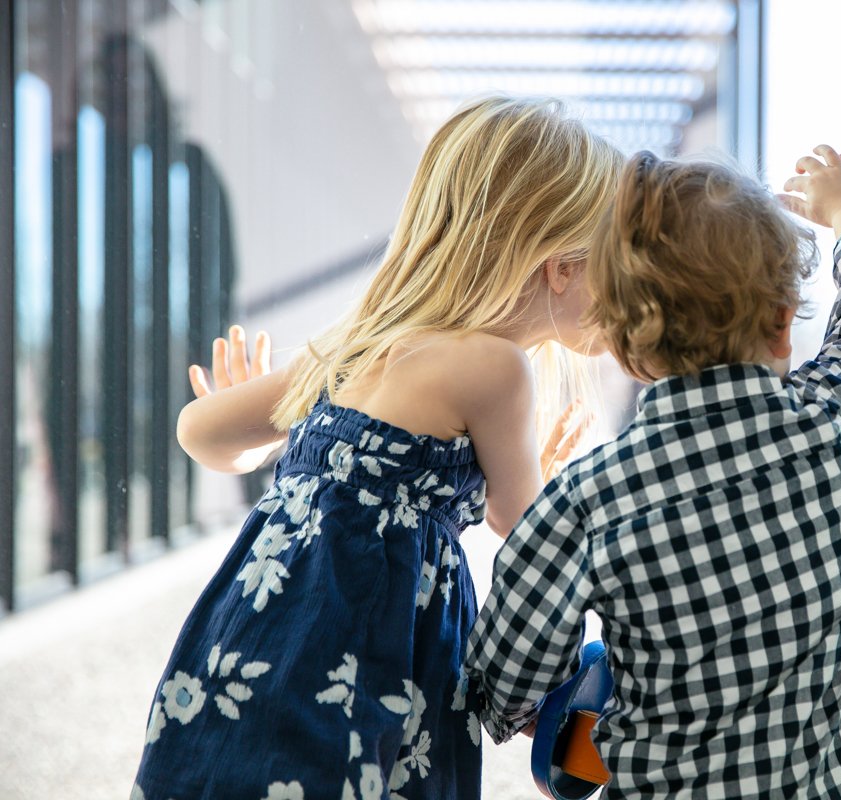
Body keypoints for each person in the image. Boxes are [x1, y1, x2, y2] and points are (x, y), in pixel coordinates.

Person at [131, 95, 623, 800]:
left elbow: (199, 431)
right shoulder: (497, 368)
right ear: (561, 266)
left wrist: (298, 455)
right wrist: (548, 472)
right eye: (618, 262)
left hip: (255, 641)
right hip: (362, 664)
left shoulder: (356, 345)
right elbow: (527, 529)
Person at [465, 145, 841, 798]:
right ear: (781, 322)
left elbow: (506, 681)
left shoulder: (584, 502)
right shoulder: (835, 421)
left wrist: (564, 697)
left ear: (624, 346)